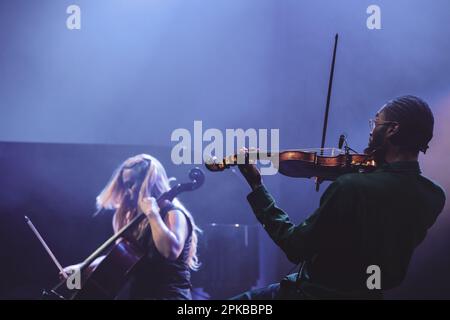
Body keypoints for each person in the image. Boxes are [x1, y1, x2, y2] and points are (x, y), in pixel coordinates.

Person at [234, 95, 446, 299]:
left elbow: (295, 246)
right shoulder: (433, 196)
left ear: (392, 129)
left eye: (376, 123)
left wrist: (257, 186)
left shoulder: (350, 187)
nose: (371, 132)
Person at [64, 154, 201, 299]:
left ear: (148, 182)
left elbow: (169, 251)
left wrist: (153, 214)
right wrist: (83, 267)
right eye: (125, 185)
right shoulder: (131, 218)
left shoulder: (173, 213)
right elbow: (120, 255)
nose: (128, 191)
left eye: (132, 184)